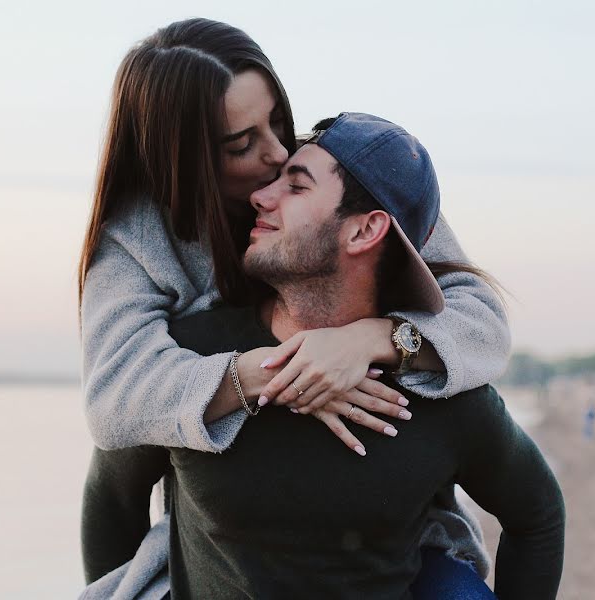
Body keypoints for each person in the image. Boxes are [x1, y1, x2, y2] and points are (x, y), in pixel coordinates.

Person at [78, 18, 511, 599]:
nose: (279, 152)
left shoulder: (341, 178)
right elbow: (116, 397)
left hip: (397, 530)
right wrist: (282, 371)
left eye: (278, 120)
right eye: (241, 144)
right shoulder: (136, 241)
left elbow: (480, 317)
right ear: (177, 157)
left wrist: (368, 341)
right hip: (233, 540)